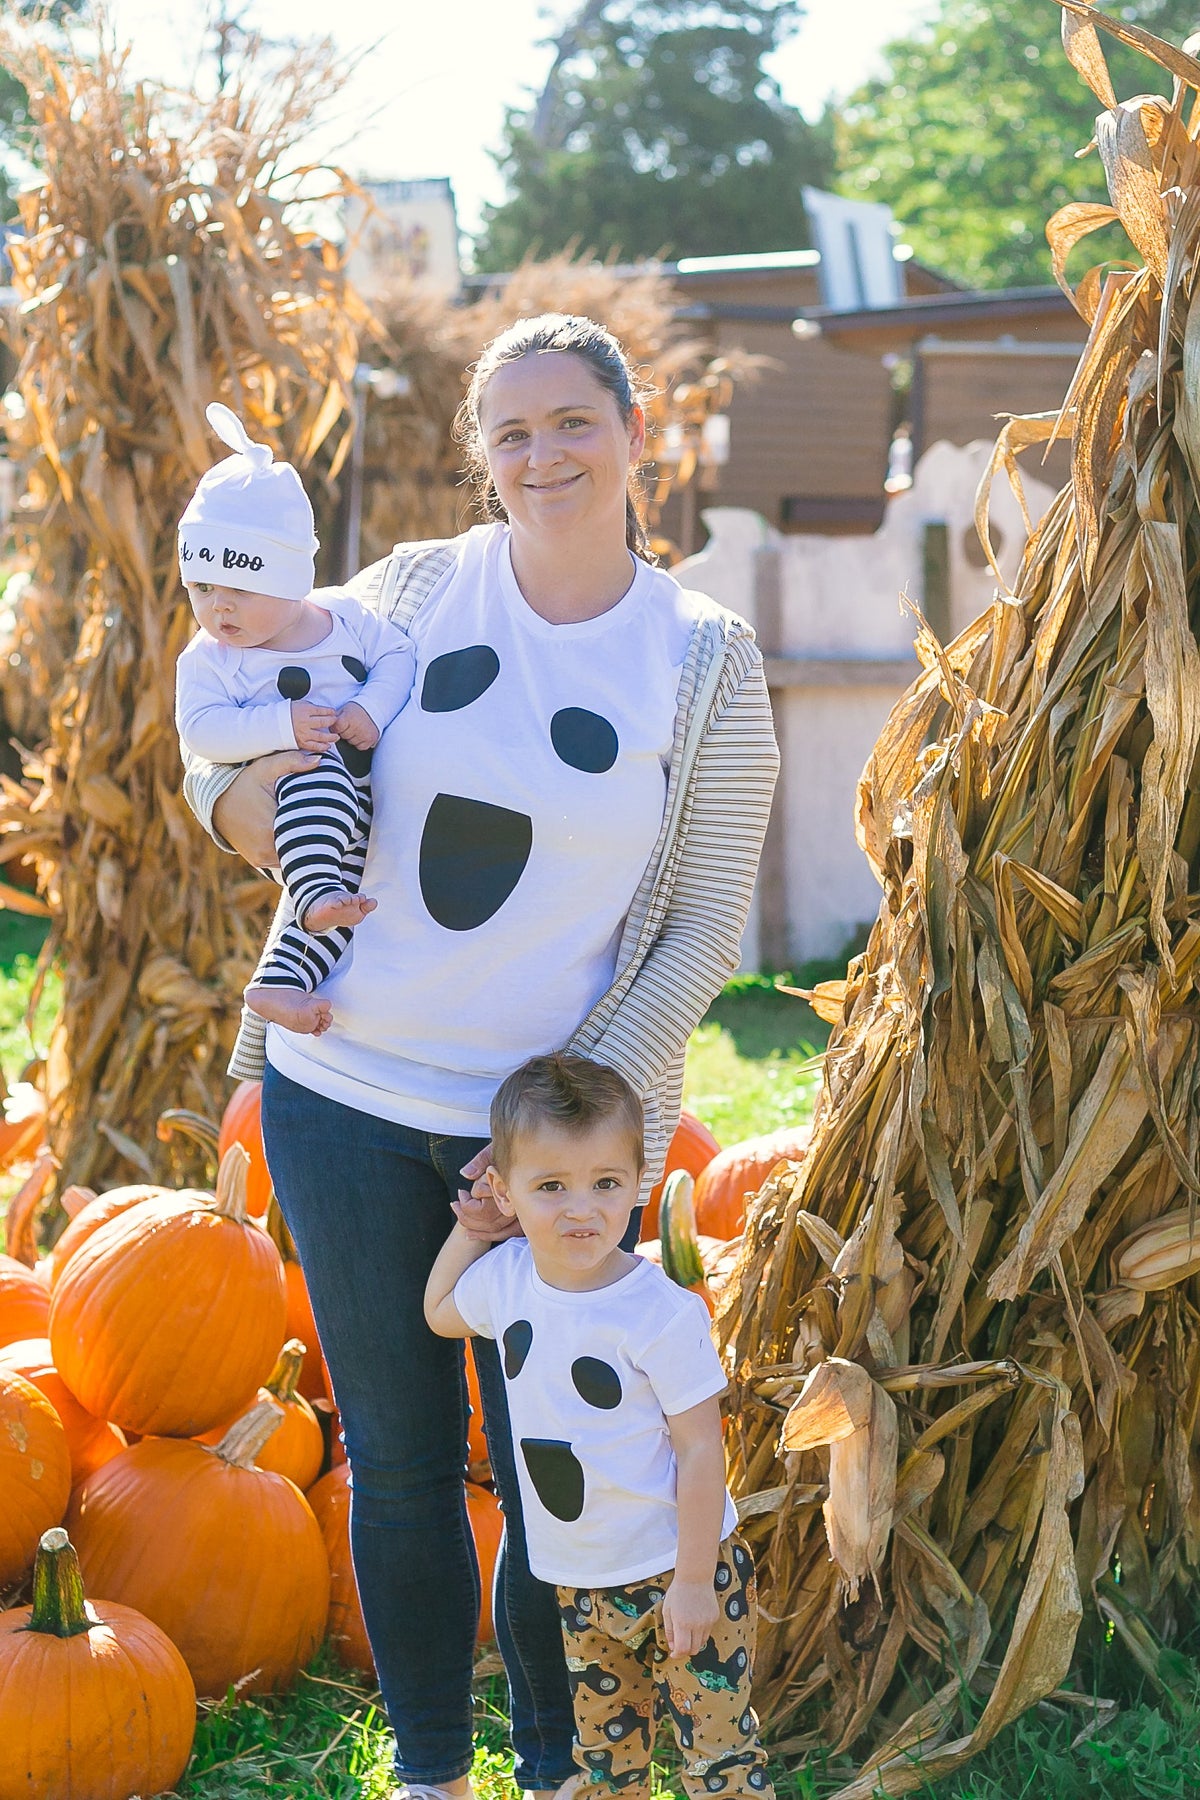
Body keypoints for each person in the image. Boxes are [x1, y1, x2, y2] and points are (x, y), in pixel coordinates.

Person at [180, 312, 780, 1800]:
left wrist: (561, 1146)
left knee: (550, 1476)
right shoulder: (412, 594)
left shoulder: (701, 658)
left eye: (572, 420)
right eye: (510, 431)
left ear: (637, 435)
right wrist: (251, 819)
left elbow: (705, 923)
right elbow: (231, 736)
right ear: (480, 456)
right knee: (392, 1452)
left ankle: (570, 1767)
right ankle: (437, 1775)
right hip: (345, 1099)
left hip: (552, 1152)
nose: (543, 454)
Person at [425, 1053, 775, 1800]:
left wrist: (690, 1582)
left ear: (636, 1185)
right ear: (505, 1189)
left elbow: (701, 1449)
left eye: (605, 1184)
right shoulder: (509, 1279)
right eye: (551, 1186)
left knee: (717, 1757)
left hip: (681, 1568)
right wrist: (475, 1232)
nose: (581, 1208)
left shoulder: (659, 1313)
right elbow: (439, 1311)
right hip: (583, 1580)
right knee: (606, 1762)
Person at [175, 403, 415, 1035]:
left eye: (240, 589)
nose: (219, 609)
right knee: (318, 790)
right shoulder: (213, 659)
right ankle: (311, 897)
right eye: (201, 589)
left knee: (343, 916)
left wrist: (370, 707)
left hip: (363, 820)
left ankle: (279, 984)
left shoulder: (348, 618)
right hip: (298, 787)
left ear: (289, 577)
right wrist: (280, 728)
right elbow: (200, 730)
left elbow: (399, 655)